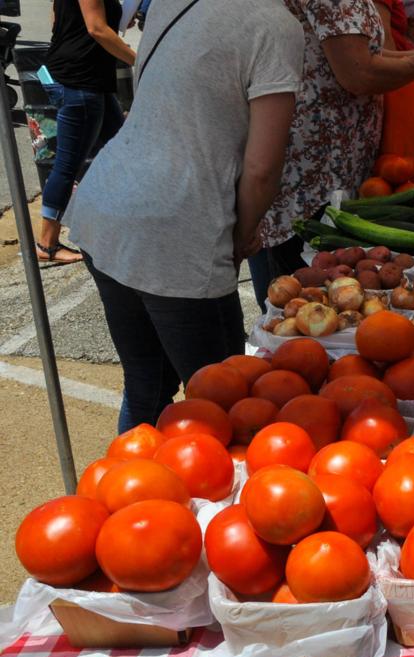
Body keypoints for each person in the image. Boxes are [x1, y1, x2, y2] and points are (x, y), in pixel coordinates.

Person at [64, 0, 303, 431]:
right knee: (223, 407)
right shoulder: (275, 25)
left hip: (107, 202)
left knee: (146, 387)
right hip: (177, 222)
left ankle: (129, 491)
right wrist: (241, 237)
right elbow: (262, 168)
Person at [252, 0, 414, 301]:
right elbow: (359, 73)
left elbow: (365, 53)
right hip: (315, 175)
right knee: (306, 297)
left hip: (335, 167)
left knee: (337, 294)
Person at [38, 0, 136, 264]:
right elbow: (97, 29)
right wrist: (142, 61)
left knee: (123, 153)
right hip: (79, 84)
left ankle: (121, 224)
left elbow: (60, 21)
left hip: (85, 81)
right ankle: (47, 243)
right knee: (68, 165)